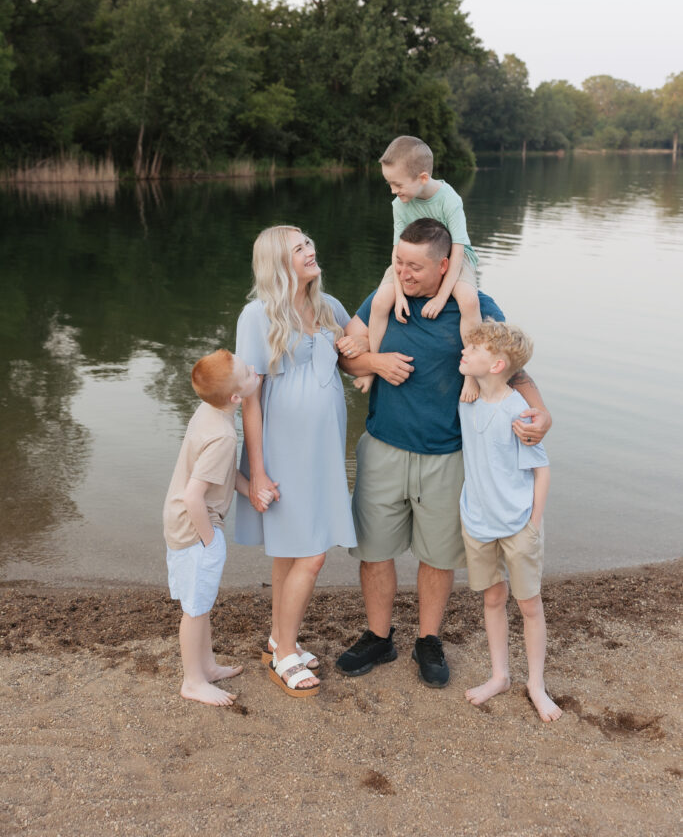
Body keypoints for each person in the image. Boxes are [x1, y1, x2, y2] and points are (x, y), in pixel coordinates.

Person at [335, 218, 551, 688]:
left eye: (415, 267)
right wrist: (375, 361)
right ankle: (378, 637)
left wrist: (542, 413)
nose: (404, 273)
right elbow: (345, 354)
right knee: (374, 551)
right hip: (383, 446)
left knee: (437, 555)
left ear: (444, 266)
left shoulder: (477, 306)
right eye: (399, 262)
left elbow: (512, 369)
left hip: (449, 455)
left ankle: (428, 640)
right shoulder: (384, 297)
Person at [236, 225, 356, 698]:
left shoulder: (330, 308)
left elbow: (359, 343)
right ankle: (285, 654)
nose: (310, 250)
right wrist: (258, 472)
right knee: (312, 552)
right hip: (283, 450)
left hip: (323, 450)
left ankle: (277, 639)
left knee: (292, 550)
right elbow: (250, 399)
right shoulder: (257, 315)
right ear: (277, 263)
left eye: (309, 242)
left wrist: (371, 356)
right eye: (298, 247)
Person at [458, 320, 562, 722]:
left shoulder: (519, 412)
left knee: (529, 604)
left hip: (519, 525)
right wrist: (469, 376)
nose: (464, 351)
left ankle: (536, 684)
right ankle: (500, 675)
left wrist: (533, 524)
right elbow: (469, 369)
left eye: (474, 349)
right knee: (492, 598)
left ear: (497, 364)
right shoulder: (467, 399)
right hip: (478, 522)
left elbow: (542, 470)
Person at [162, 349, 259, 707]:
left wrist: (251, 490)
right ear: (235, 398)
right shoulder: (223, 435)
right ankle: (192, 681)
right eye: (247, 373)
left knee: (201, 602)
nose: (253, 370)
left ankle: (206, 666)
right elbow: (194, 496)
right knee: (195, 608)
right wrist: (209, 540)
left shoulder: (209, 411)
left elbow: (221, 471)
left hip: (181, 521)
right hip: (195, 528)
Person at [353, 135, 482, 403]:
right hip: (408, 259)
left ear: (422, 178)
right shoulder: (399, 204)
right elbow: (395, 251)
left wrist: (442, 297)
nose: (393, 190)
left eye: (398, 184)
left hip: (454, 256)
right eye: (389, 183)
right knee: (380, 301)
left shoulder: (449, 200)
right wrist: (400, 295)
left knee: (469, 301)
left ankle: (472, 373)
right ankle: (372, 366)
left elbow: (458, 251)